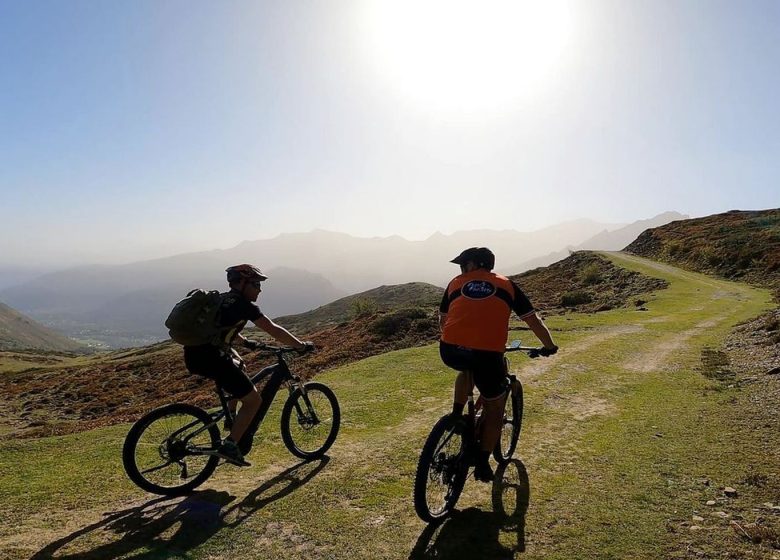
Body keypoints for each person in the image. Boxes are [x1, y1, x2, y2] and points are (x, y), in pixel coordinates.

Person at [439, 247, 558, 482]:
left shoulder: (455, 283)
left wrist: (455, 338)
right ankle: (482, 463)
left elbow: (443, 318)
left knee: (466, 368)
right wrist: (549, 345)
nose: (462, 269)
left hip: (450, 349)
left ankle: (456, 417)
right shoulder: (507, 285)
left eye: (465, 264)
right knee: (495, 406)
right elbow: (532, 320)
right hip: (487, 355)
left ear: (476, 264)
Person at [183, 264, 312, 467]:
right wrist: (300, 345)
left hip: (195, 355)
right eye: (256, 284)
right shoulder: (244, 305)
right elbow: (273, 329)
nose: (259, 289)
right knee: (253, 401)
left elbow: (222, 328)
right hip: (212, 357)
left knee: (240, 365)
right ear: (242, 283)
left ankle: (231, 418)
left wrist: (246, 342)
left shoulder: (224, 299)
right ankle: (230, 446)